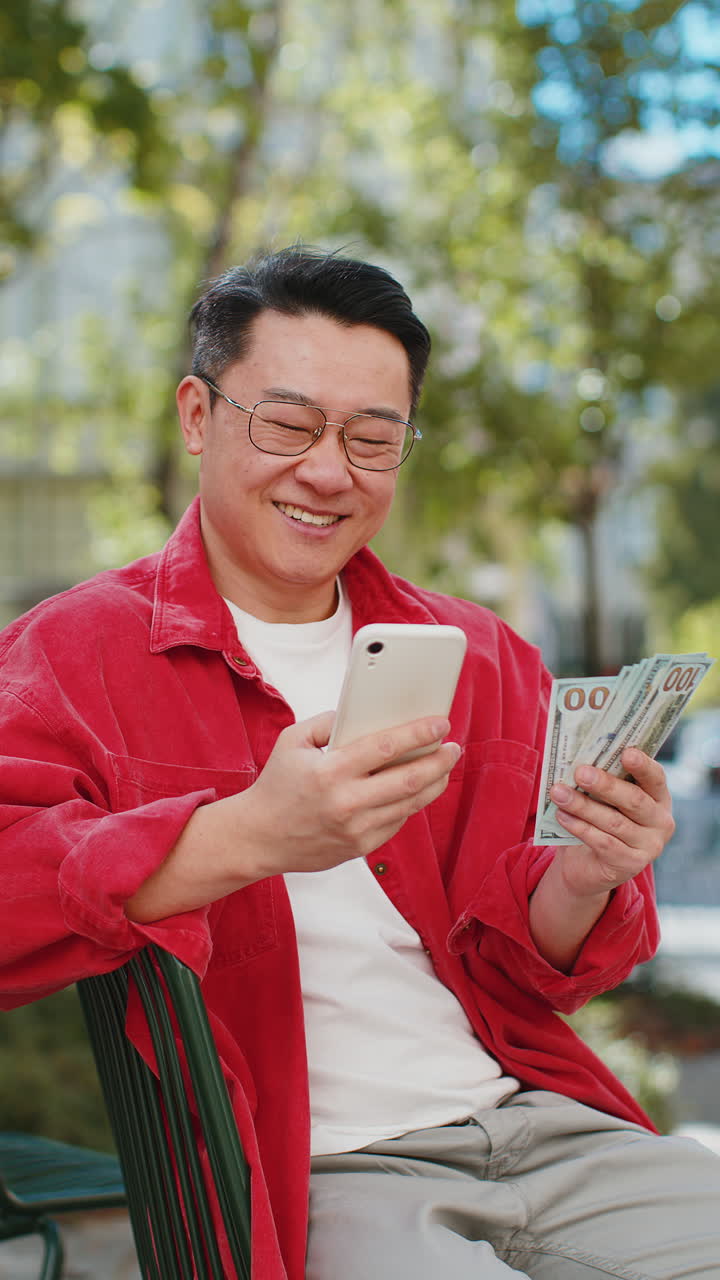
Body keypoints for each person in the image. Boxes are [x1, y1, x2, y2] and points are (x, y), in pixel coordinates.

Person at [0, 247, 718, 1280]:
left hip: (545, 1126)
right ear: (198, 416)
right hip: (327, 1171)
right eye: (288, 425)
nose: (329, 471)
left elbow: (533, 970)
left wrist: (588, 871)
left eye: (372, 438)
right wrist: (249, 835)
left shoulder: (479, 655)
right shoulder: (70, 658)